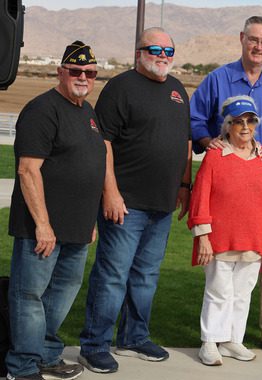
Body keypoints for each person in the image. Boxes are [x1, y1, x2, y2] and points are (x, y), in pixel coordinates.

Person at [78, 27, 192, 374]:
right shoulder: (120, 88)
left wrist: (185, 186)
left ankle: (134, 336)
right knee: (113, 275)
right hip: (126, 203)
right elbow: (104, 143)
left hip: (161, 203)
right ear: (139, 52)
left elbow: (184, 142)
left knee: (146, 275)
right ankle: (94, 344)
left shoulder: (177, 90)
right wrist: (109, 192)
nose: (162, 56)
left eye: (168, 51)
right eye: (155, 49)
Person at [190, 15, 262, 358]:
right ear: (242, 39)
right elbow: (195, 119)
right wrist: (211, 142)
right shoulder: (218, 78)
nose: (259, 47)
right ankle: (215, 336)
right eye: (254, 40)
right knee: (222, 269)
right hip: (224, 170)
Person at [6, 41, 105, 380]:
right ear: (60, 72)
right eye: (75, 71)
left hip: (77, 228)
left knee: (60, 297)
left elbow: (89, 167)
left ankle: (46, 355)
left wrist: (89, 221)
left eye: (89, 73)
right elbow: (28, 170)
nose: (83, 77)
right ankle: (22, 365)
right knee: (30, 296)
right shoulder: (42, 110)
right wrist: (43, 225)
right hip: (42, 229)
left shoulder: (88, 112)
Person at [188, 95, 262, 366]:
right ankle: (209, 341)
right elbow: (200, 198)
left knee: (243, 292)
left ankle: (233, 340)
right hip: (220, 238)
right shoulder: (215, 156)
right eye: (238, 121)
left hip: (253, 238)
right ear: (228, 125)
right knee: (218, 291)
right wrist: (203, 237)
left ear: (256, 124)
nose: (245, 127)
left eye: (250, 121)